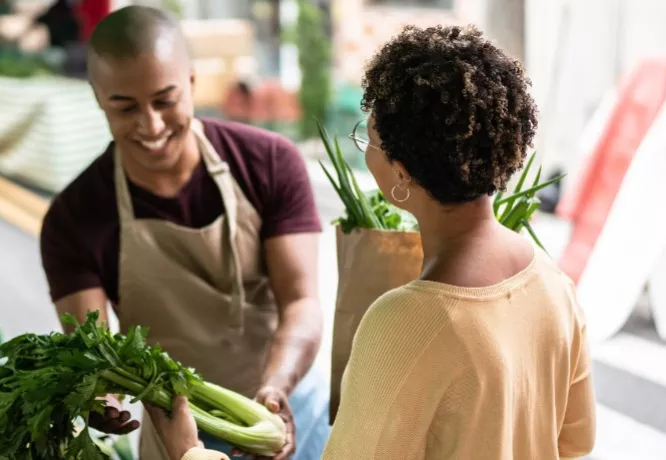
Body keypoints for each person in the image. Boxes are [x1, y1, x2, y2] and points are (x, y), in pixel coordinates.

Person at [156, 24, 598, 460]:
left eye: (369, 136)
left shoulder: (405, 322)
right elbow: (576, 442)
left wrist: (190, 453)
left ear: (403, 173)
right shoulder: (551, 281)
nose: (364, 147)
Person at [39, 6, 330, 460]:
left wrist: (276, 388)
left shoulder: (270, 162)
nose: (151, 125)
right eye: (125, 107)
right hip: (178, 435)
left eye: (165, 100)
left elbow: (301, 302)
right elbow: (92, 353)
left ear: (192, 83)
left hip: (285, 411)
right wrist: (104, 402)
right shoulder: (73, 218)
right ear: (98, 97)